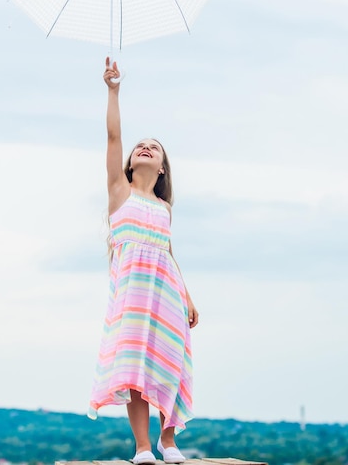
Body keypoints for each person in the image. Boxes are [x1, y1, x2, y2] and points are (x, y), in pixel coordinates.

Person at [88, 58, 199, 465]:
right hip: (134, 294)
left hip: (166, 290)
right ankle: (143, 447)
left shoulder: (164, 209)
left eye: (154, 146)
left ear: (162, 166)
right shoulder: (120, 192)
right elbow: (114, 136)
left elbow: (169, 253)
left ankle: (169, 441)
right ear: (132, 164)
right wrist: (114, 91)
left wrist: (187, 296)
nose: (144, 147)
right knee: (136, 363)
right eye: (140, 147)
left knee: (171, 359)